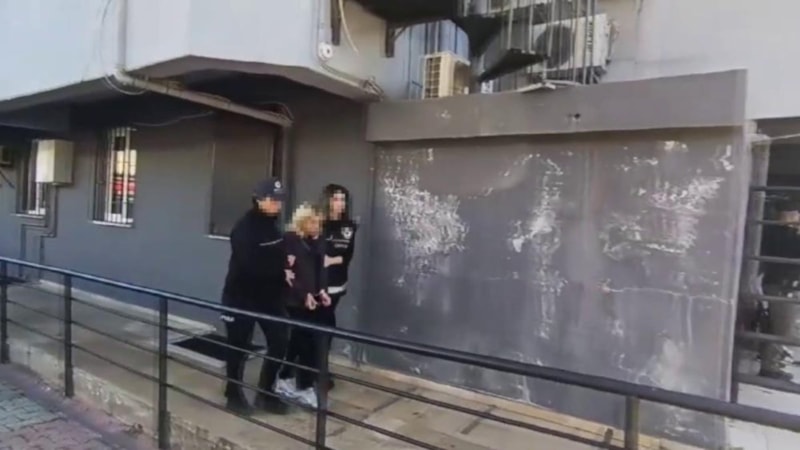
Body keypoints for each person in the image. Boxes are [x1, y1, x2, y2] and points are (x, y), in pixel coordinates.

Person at [221, 177, 291, 415]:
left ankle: (266, 393)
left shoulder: (273, 226)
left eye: (279, 200)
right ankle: (232, 394)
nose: (277, 204)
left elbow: (278, 255)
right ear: (259, 200)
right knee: (238, 348)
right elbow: (252, 266)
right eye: (272, 200)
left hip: (269, 299)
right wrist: (281, 270)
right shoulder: (244, 229)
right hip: (241, 297)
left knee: (280, 341)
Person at [275, 203, 331, 408]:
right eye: (313, 223)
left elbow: (320, 268)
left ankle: (286, 377)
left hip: (312, 299)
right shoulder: (290, 240)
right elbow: (289, 274)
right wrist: (304, 294)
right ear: (303, 222)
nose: (317, 227)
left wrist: (322, 290)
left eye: (319, 223)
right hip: (295, 300)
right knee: (305, 341)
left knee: (300, 340)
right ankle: (303, 386)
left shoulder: (317, 240)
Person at [319, 184, 358, 389]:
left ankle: (320, 369)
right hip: (316, 283)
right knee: (316, 327)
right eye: (335, 199)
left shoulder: (348, 226)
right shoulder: (318, 222)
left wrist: (330, 260)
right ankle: (312, 369)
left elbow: (347, 256)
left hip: (336, 283)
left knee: (327, 326)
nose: (340, 204)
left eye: (343, 200)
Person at [757, 200, 800, 380]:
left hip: (777, 283)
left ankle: (773, 362)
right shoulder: (784, 235)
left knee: (778, 325)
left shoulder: (770, 231)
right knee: (782, 327)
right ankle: (770, 367)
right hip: (783, 286)